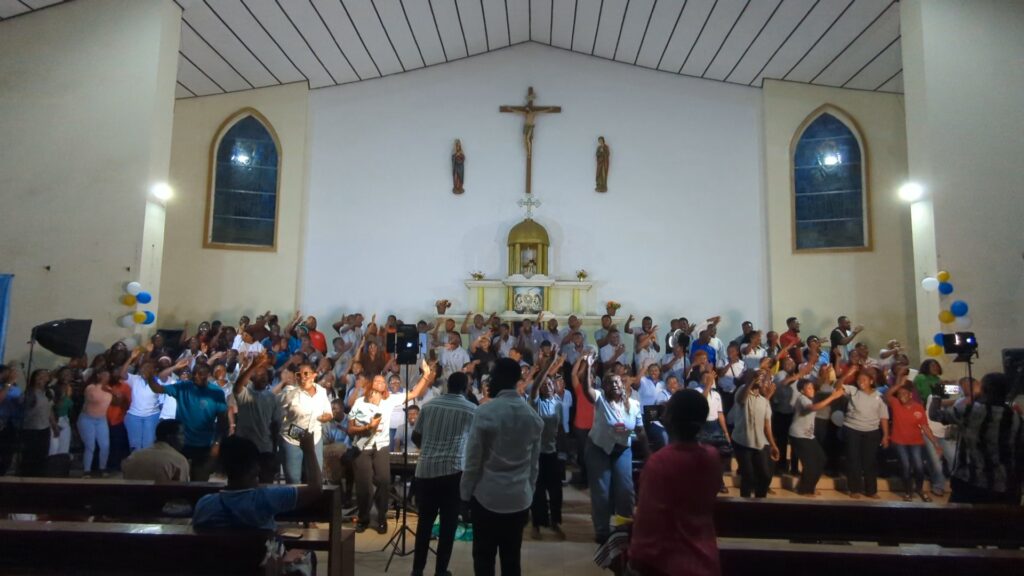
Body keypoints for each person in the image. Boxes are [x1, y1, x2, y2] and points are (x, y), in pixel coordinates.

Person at [461, 357, 543, 576]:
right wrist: (529, 493)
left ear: (497, 379)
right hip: (518, 497)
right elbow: (534, 466)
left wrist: (465, 494)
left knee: (483, 558)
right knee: (511, 559)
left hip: (486, 496)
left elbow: (473, 461)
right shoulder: (533, 418)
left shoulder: (485, 412)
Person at [629, 389, 721, 576]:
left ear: (668, 420)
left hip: (665, 563)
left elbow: (647, 522)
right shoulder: (712, 457)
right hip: (704, 559)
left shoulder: (659, 462)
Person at [349, 360, 436, 534]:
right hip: (362, 446)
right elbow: (350, 429)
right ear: (372, 384)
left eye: (383, 381)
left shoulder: (389, 401)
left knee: (384, 481)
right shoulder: (360, 403)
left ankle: (381, 518)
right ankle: (363, 518)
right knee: (364, 485)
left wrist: (426, 375)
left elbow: (415, 393)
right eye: (377, 381)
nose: (380, 383)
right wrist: (367, 428)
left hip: (381, 446)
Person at [411, 371, 477, 576]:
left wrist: (431, 449)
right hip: (453, 472)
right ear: (466, 387)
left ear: (448, 385)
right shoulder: (471, 409)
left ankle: (417, 570)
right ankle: (440, 571)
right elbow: (475, 444)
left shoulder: (429, 406)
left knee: (424, 524)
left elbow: (416, 437)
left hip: (426, 470)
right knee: (448, 525)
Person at [193, 432, 321, 531]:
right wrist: (309, 450)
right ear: (255, 468)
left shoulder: (204, 505)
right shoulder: (267, 499)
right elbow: (315, 489)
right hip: (258, 564)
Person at [580, 353, 646, 544]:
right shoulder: (600, 399)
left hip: (622, 450)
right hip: (598, 449)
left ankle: (624, 528)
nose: (615, 385)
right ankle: (601, 531)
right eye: (610, 383)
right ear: (605, 387)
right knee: (601, 491)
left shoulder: (633, 405)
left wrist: (630, 436)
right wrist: (588, 368)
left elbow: (640, 432)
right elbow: (587, 389)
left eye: (618, 382)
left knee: (625, 490)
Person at [929, 372, 1023, 504]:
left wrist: (937, 393)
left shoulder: (970, 411)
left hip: (968, 483)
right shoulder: (1016, 418)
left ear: (984, 390)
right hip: (1003, 486)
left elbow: (935, 415)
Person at [144, 362, 228, 481]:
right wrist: (150, 377)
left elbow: (222, 420)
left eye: (201, 374)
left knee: (199, 480)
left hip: (204, 444)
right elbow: (158, 389)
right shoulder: (183, 387)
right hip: (181, 443)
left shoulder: (216, 392)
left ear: (208, 375)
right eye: (194, 373)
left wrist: (217, 443)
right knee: (177, 480)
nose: (196, 377)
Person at [789, 369, 845, 495]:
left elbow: (820, 388)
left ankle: (807, 486)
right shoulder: (802, 398)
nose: (812, 389)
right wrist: (833, 396)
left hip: (808, 435)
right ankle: (805, 490)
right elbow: (813, 408)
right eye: (808, 388)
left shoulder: (810, 397)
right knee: (810, 463)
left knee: (821, 459)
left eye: (812, 387)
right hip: (799, 435)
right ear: (802, 391)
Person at [529, 355, 567, 540]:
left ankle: (556, 522)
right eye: (543, 384)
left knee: (555, 490)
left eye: (549, 384)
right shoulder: (535, 403)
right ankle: (537, 523)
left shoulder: (559, 405)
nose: (546, 386)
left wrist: (562, 452)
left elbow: (560, 429)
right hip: (536, 453)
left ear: (555, 387)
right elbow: (535, 386)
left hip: (552, 452)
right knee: (538, 490)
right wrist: (548, 366)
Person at [885, 377, 941, 502]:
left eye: (904, 393)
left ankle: (919, 489)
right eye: (899, 394)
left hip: (916, 442)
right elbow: (887, 395)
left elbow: (925, 427)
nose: (901, 396)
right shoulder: (895, 404)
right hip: (899, 441)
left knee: (919, 467)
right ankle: (908, 492)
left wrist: (935, 443)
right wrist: (898, 384)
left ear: (911, 395)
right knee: (906, 466)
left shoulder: (918, 407)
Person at [279, 361, 333, 485]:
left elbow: (328, 412)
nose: (303, 377)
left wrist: (326, 417)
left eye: (306, 374)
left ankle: (312, 503)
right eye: (299, 374)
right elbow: (278, 408)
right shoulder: (290, 392)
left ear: (314, 375)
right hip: (293, 436)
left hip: (314, 436)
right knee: (293, 479)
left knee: (314, 476)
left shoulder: (321, 391)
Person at [840, 367, 890, 499]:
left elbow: (883, 417)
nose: (860, 382)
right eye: (858, 379)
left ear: (871, 381)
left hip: (871, 431)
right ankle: (854, 489)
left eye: (864, 379)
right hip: (852, 429)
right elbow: (837, 387)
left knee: (870, 461)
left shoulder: (879, 397)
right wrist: (847, 374)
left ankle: (871, 490)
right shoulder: (853, 391)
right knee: (853, 460)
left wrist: (885, 435)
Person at [233, 354, 283, 483]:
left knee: (266, 482)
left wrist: (274, 448)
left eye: (265, 375)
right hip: (245, 447)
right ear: (252, 377)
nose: (263, 378)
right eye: (259, 375)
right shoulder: (244, 394)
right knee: (245, 482)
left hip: (265, 447)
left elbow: (276, 424)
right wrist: (252, 366)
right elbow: (238, 385)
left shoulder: (271, 397)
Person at [731, 370, 780, 498]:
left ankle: (760, 501)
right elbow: (742, 399)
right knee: (748, 475)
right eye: (758, 377)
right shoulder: (742, 390)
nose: (760, 379)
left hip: (759, 442)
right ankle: (745, 505)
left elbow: (766, 424)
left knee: (765, 475)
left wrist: (773, 445)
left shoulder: (764, 400)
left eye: (762, 378)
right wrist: (752, 380)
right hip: (743, 441)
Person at [122, 420, 191, 483]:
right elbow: (183, 489)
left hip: (131, 495)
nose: (184, 438)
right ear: (170, 437)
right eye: (181, 434)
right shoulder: (179, 460)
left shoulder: (132, 457)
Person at [79, 367, 114, 477]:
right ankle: (87, 470)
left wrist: (109, 389)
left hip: (101, 419)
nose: (107, 377)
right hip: (87, 419)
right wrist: (102, 386)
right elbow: (93, 398)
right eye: (105, 375)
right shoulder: (91, 387)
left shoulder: (109, 389)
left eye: (108, 376)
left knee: (105, 445)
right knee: (90, 445)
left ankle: (102, 468)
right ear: (98, 375)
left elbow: (118, 399)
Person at [20, 369, 55, 477]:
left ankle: (39, 476)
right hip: (31, 428)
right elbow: (25, 405)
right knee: (30, 455)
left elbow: (49, 409)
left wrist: (54, 425)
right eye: (39, 376)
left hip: (44, 427)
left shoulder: (49, 392)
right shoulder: (30, 392)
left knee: (42, 454)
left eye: (44, 376)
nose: (42, 378)